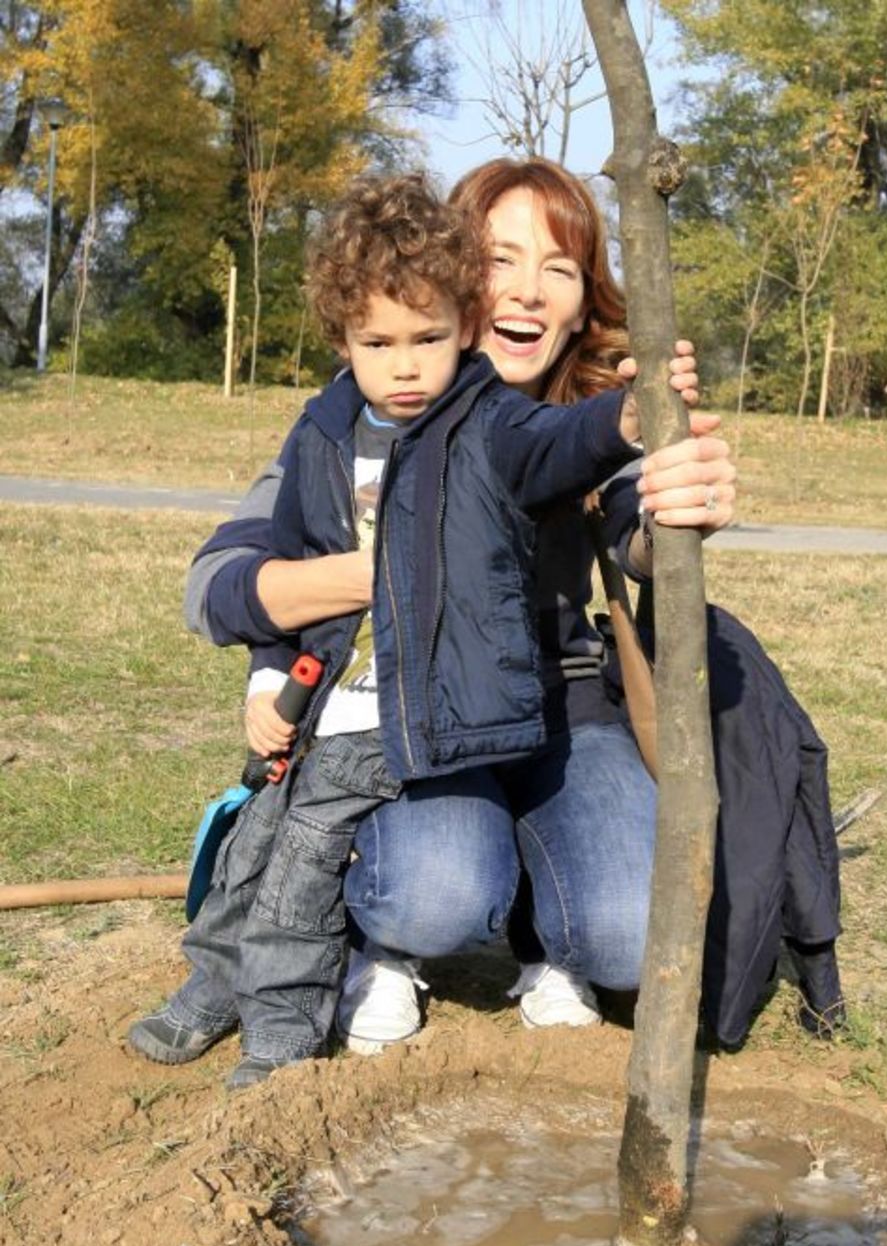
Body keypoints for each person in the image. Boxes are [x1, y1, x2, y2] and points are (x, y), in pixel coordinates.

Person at [135, 158, 839, 1077]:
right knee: (427, 894)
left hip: (562, 711)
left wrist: (667, 475)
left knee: (627, 933)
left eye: (560, 267)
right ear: (459, 279)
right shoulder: (347, 422)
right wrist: (296, 651)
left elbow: (618, 506)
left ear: (585, 299)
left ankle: (545, 923)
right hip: (422, 717)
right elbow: (224, 580)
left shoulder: (556, 417)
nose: (527, 290)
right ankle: (381, 939)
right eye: (503, 258)